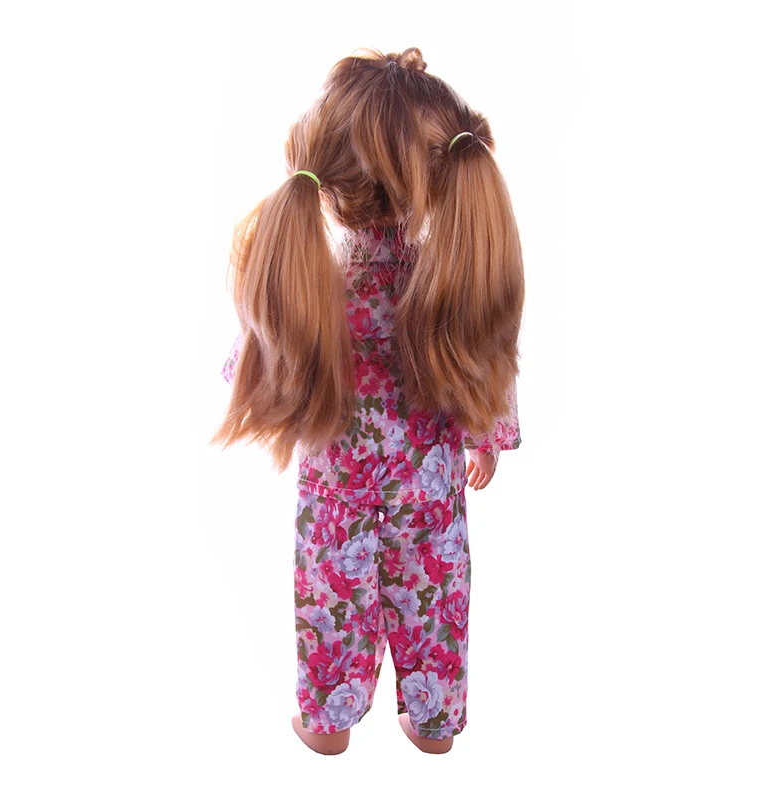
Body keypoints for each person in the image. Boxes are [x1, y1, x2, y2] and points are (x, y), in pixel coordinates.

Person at [211, 46, 525, 755]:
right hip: (429, 491)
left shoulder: (311, 282)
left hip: (337, 492)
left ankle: (327, 723)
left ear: (327, 182)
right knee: (435, 599)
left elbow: (252, 365)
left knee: (330, 602)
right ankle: (434, 724)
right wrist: (486, 440)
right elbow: (490, 359)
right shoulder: (451, 283)